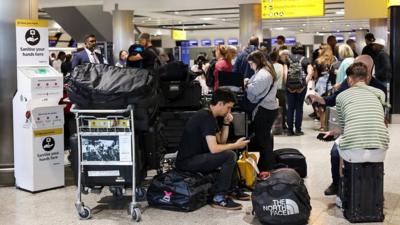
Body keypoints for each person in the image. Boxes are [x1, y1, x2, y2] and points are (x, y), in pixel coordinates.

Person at [308, 55, 388, 195]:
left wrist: (338, 132)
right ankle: (338, 184)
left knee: (339, 150)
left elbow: (378, 116)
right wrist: (321, 99)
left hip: (363, 135)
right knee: (335, 153)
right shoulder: (377, 91)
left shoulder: (378, 88)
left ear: (370, 71)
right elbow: (335, 99)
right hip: (378, 144)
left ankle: (345, 191)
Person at [175, 88, 250, 210]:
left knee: (230, 151)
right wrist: (235, 145)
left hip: (196, 157)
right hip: (187, 162)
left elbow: (221, 142)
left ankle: (231, 189)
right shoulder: (205, 116)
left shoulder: (210, 116)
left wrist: (226, 124)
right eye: (228, 107)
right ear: (220, 104)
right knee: (230, 155)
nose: (229, 111)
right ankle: (219, 198)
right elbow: (214, 149)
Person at [245, 51, 278, 171]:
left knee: (263, 140)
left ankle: (266, 167)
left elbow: (254, 91)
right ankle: (266, 166)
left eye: (251, 63)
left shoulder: (263, 74)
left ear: (256, 62)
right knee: (264, 138)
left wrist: (246, 84)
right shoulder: (265, 71)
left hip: (265, 110)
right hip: (268, 109)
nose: (250, 66)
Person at [285, 43, 313, 136]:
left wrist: (288, 86)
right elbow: (310, 73)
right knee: (299, 108)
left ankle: (289, 130)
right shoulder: (305, 60)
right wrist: (303, 85)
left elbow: (285, 74)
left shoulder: (288, 59)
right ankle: (298, 130)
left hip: (289, 87)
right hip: (301, 87)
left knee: (290, 108)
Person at [313, 44, 336, 131]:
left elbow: (315, 76)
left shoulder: (317, 61)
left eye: (320, 48)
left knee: (321, 106)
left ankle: (323, 126)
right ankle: (331, 125)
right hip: (332, 85)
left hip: (320, 85)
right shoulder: (334, 60)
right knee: (330, 105)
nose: (319, 50)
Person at [270, 51, 287, 132]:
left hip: (271, 91)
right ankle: (282, 125)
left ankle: (272, 125)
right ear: (277, 58)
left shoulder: (269, 67)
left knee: (272, 108)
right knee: (282, 108)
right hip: (280, 90)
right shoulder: (281, 66)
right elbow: (284, 77)